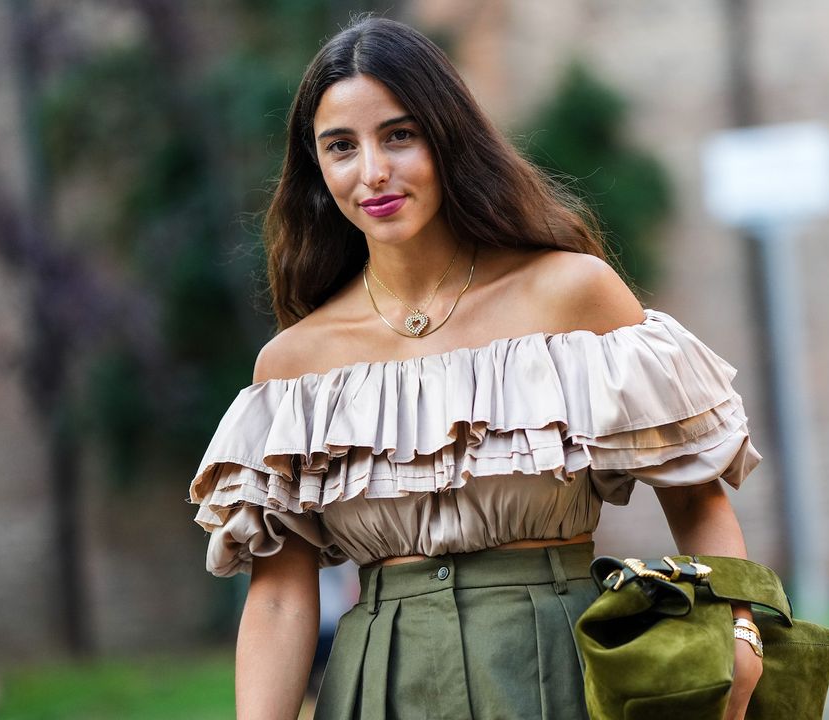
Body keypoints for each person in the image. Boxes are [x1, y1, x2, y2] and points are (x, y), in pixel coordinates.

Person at [188, 16, 764, 720]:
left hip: (561, 669)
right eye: (341, 147)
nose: (372, 172)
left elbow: (695, 496)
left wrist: (738, 631)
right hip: (379, 690)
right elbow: (279, 596)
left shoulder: (571, 294)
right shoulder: (295, 364)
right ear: (317, 169)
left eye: (399, 135)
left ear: (446, 136)